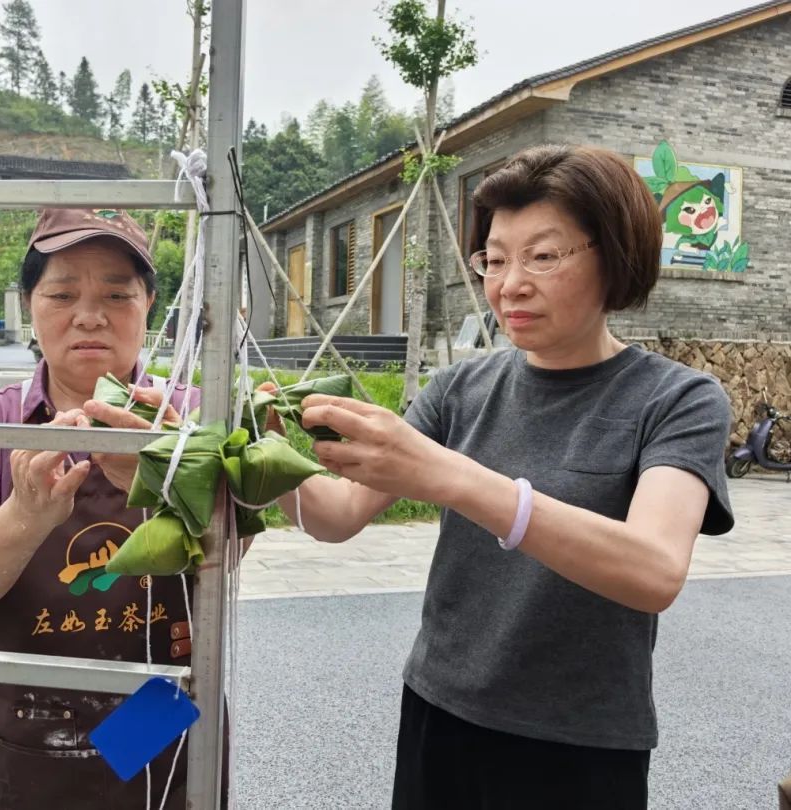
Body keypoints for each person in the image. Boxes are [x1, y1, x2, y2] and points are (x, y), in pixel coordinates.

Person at [274, 145, 735, 809]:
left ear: (615, 255)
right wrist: (246, 451)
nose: (510, 284)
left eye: (542, 256)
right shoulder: (460, 388)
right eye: (494, 259)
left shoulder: (676, 400)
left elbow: (653, 570)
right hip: (438, 713)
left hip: (580, 746)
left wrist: (453, 478)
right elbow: (338, 515)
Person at [0, 208, 202, 809]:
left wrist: (167, 482)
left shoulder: (193, 418)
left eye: (117, 295)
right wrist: (25, 514)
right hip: (25, 728)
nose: (90, 316)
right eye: (62, 294)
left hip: (159, 715)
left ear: (149, 304)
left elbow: (231, 553)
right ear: (29, 304)